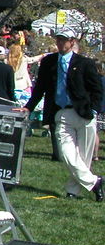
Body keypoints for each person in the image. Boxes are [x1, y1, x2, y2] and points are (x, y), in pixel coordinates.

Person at [25, 26, 104, 200]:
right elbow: (40, 88)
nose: (60, 43)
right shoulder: (49, 62)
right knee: (66, 154)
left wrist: (94, 110)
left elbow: (97, 90)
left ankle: (72, 191)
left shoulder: (85, 63)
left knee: (83, 157)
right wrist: (29, 107)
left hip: (83, 113)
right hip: (61, 112)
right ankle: (95, 182)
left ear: (72, 42)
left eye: (64, 40)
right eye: (58, 39)